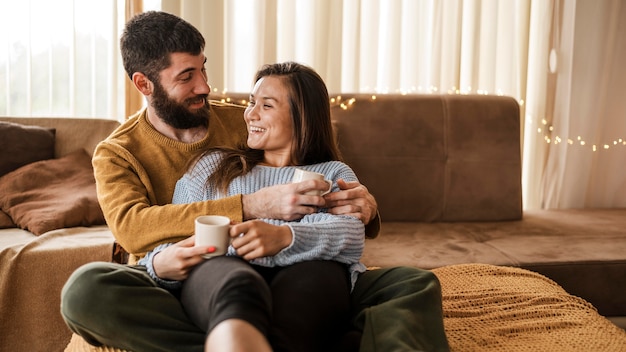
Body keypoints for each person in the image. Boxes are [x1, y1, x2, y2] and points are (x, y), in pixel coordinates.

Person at [60, 10, 450, 352]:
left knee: (412, 284)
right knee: (86, 290)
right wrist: (249, 209)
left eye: (204, 69)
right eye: (187, 76)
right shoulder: (122, 153)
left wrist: (364, 208)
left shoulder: (242, 124)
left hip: (305, 277)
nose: (206, 88)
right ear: (145, 84)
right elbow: (134, 229)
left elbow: (341, 216)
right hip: (198, 273)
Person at [138, 61, 366, 351]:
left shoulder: (332, 172)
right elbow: (174, 238)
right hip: (223, 273)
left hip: (308, 276)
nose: (250, 114)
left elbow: (350, 234)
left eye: (266, 106)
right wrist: (159, 265)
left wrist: (285, 238)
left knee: (318, 277)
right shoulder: (211, 167)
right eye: (251, 102)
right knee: (237, 285)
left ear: (303, 116)